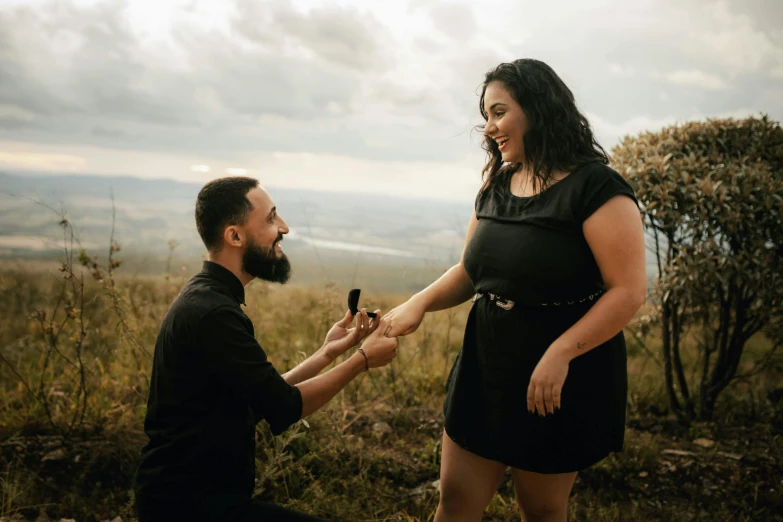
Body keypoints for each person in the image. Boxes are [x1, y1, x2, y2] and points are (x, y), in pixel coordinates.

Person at [383, 59, 647, 522]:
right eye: (486, 115)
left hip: (559, 372)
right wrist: (418, 303)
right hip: (487, 361)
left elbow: (627, 292)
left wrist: (562, 352)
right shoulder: (497, 183)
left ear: (538, 109)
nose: (489, 128)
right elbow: (473, 269)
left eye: (499, 112)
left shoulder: (597, 187)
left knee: (541, 509)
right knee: (456, 498)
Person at [133, 177, 399, 522]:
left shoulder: (209, 298)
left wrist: (330, 351)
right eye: (272, 218)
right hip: (189, 507)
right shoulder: (213, 313)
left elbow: (261, 396)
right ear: (235, 236)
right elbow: (284, 407)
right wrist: (362, 360)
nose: (284, 228)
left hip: (195, 500)